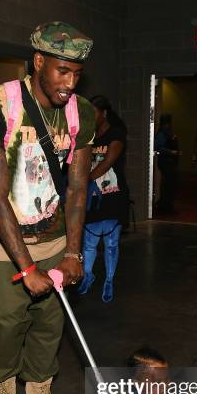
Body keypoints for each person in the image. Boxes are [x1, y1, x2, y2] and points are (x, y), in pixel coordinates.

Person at [0, 21, 95, 394]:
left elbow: (77, 188)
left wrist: (73, 252)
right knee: (4, 325)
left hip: (55, 241)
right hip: (6, 247)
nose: (69, 83)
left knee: (49, 325)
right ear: (38, 62)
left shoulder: (81, 113)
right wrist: (25, 267)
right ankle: (3, 387)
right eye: (62, 71)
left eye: (77, 73)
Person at [78, 95, 128, 302]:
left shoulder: (116, 134)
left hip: (112, 195)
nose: (90, 117)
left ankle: (109, 281)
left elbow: (108, 162)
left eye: (93, 113)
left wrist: (86, 179)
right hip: (92, 196)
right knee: (89, 243)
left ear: (104, 113)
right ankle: (88, 276)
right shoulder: (88, 135)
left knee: (111, 243)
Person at [154, 114, 180, 214]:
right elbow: (158, 147)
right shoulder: (162, 134)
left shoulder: (167, 132)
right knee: (168, 184)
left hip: (170, 161)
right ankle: (164, 205)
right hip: (166, 161)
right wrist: (171, 152)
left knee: (170, 183)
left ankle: (166, 204)